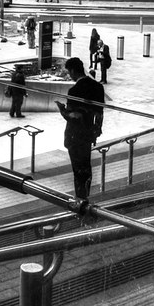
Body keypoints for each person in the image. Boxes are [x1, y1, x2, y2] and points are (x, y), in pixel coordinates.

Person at [56, 57, 105, 200]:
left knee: (77, 170)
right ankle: (86, 197)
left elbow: (73, 116)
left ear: (72, 70)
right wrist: (96, 129)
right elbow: (99, 113)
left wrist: (62, 110)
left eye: (69, 72)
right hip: (88, 134)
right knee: (86, 167)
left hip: (75, 135)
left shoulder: (74, 90)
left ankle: (80, 200)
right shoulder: (97, 87)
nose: (69, 75)